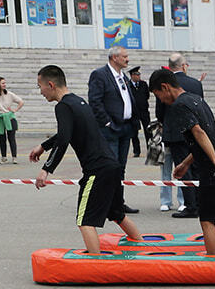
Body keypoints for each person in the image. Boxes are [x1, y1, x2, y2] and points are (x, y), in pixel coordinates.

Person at [27, 65, 144, 254]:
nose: (40, 92)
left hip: (97, 171)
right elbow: (67, 133)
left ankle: (96, 264)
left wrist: (46, 168)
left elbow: (64, 140)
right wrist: (43, 146)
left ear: (50, 84)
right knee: (117, 213)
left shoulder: (63, 106)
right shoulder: (78, 102)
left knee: (84, 220)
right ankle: (143, 247)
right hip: (111, 165)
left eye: (40, 86)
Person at [149, 68, 215, 255]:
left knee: (207, 219)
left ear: (165, 87)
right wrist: (185, 163)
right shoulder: (195, 98)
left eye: (157, 95)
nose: (159, 100)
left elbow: (199, 132)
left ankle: (213, 262)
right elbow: (208, 136)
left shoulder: (179, 106)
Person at [155, 53, 204, 217]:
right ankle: (198, 201)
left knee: (183, 169)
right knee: (196, 168)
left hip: (175, 133)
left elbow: (159, 111)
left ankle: (190, 206)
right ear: (184, 66)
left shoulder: (164, 84)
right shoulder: (196, 84)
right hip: (194, 132)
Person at [88, 45, 136, 170]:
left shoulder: (123, 76)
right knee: (111, 166)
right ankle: (109, 189)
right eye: (124, 57)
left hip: (126, 127)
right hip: (111, 129)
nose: (127, 59)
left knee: (121, 167)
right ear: (114, 58)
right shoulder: (100, 74)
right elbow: (95, 102)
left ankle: (119, 190)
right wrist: (107, 122)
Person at [0, 76, 23, 164]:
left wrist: (15, 110)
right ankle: (4, 157)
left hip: (9, 118)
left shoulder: (9, 94)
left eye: (5, 83)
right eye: (3, 83)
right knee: (2, 139)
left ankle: (14, 157)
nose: (4, 85)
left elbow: (21, 102)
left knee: (12, 138)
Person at [126, 66, 150, 158]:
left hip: (144, 111)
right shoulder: (128, 85)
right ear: (132, 76)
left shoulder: (143, 84)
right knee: (134, 133)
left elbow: (147, 95)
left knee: (148, 131)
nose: (138, 76)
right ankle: (137, 151)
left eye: (139, 74)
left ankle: (150, 149)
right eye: (137, 75)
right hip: (134, 112)